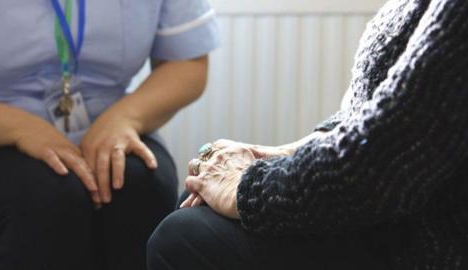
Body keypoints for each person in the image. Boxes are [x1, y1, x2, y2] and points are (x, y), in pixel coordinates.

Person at [146, 0, 468, 269]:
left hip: (423, 245)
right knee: (196, 202)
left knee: (183, 236)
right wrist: (273, 154)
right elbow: (373, 114)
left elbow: (384, 159)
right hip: (389, 217)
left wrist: (246, 188)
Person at [0, 1, 220, 269]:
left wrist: (125, 118)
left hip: (107, 114)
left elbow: (186, 63)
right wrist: (20, 128)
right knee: (43, 199)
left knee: (142, 184)